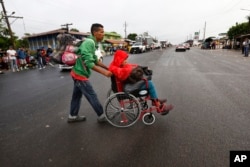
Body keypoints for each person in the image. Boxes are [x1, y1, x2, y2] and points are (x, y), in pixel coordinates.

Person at [68, 23, 112, 123]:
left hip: (77, 73)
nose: (103, 34)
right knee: (91, 95)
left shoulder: (93, 43)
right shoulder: (89, 42)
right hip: (80, 74)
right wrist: (105, 73)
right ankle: (101, 115)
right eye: (101, 32)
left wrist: (107, 68)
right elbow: (88, 63)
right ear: (95, 32)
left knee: (76, 96)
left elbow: (95, 60)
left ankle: (72, 116)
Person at [109, 50, 174, 115]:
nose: (126, 61)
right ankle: (157, 104)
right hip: (126, 89)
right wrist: (136, 69)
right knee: (149, 83)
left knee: (147, 81)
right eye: (124, 60)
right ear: (119, 60)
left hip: (126, 85)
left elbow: (130, 66)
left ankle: (155, 99)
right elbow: (127, 71)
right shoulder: (116, 69)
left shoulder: (116, 65)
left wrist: (140, 67)